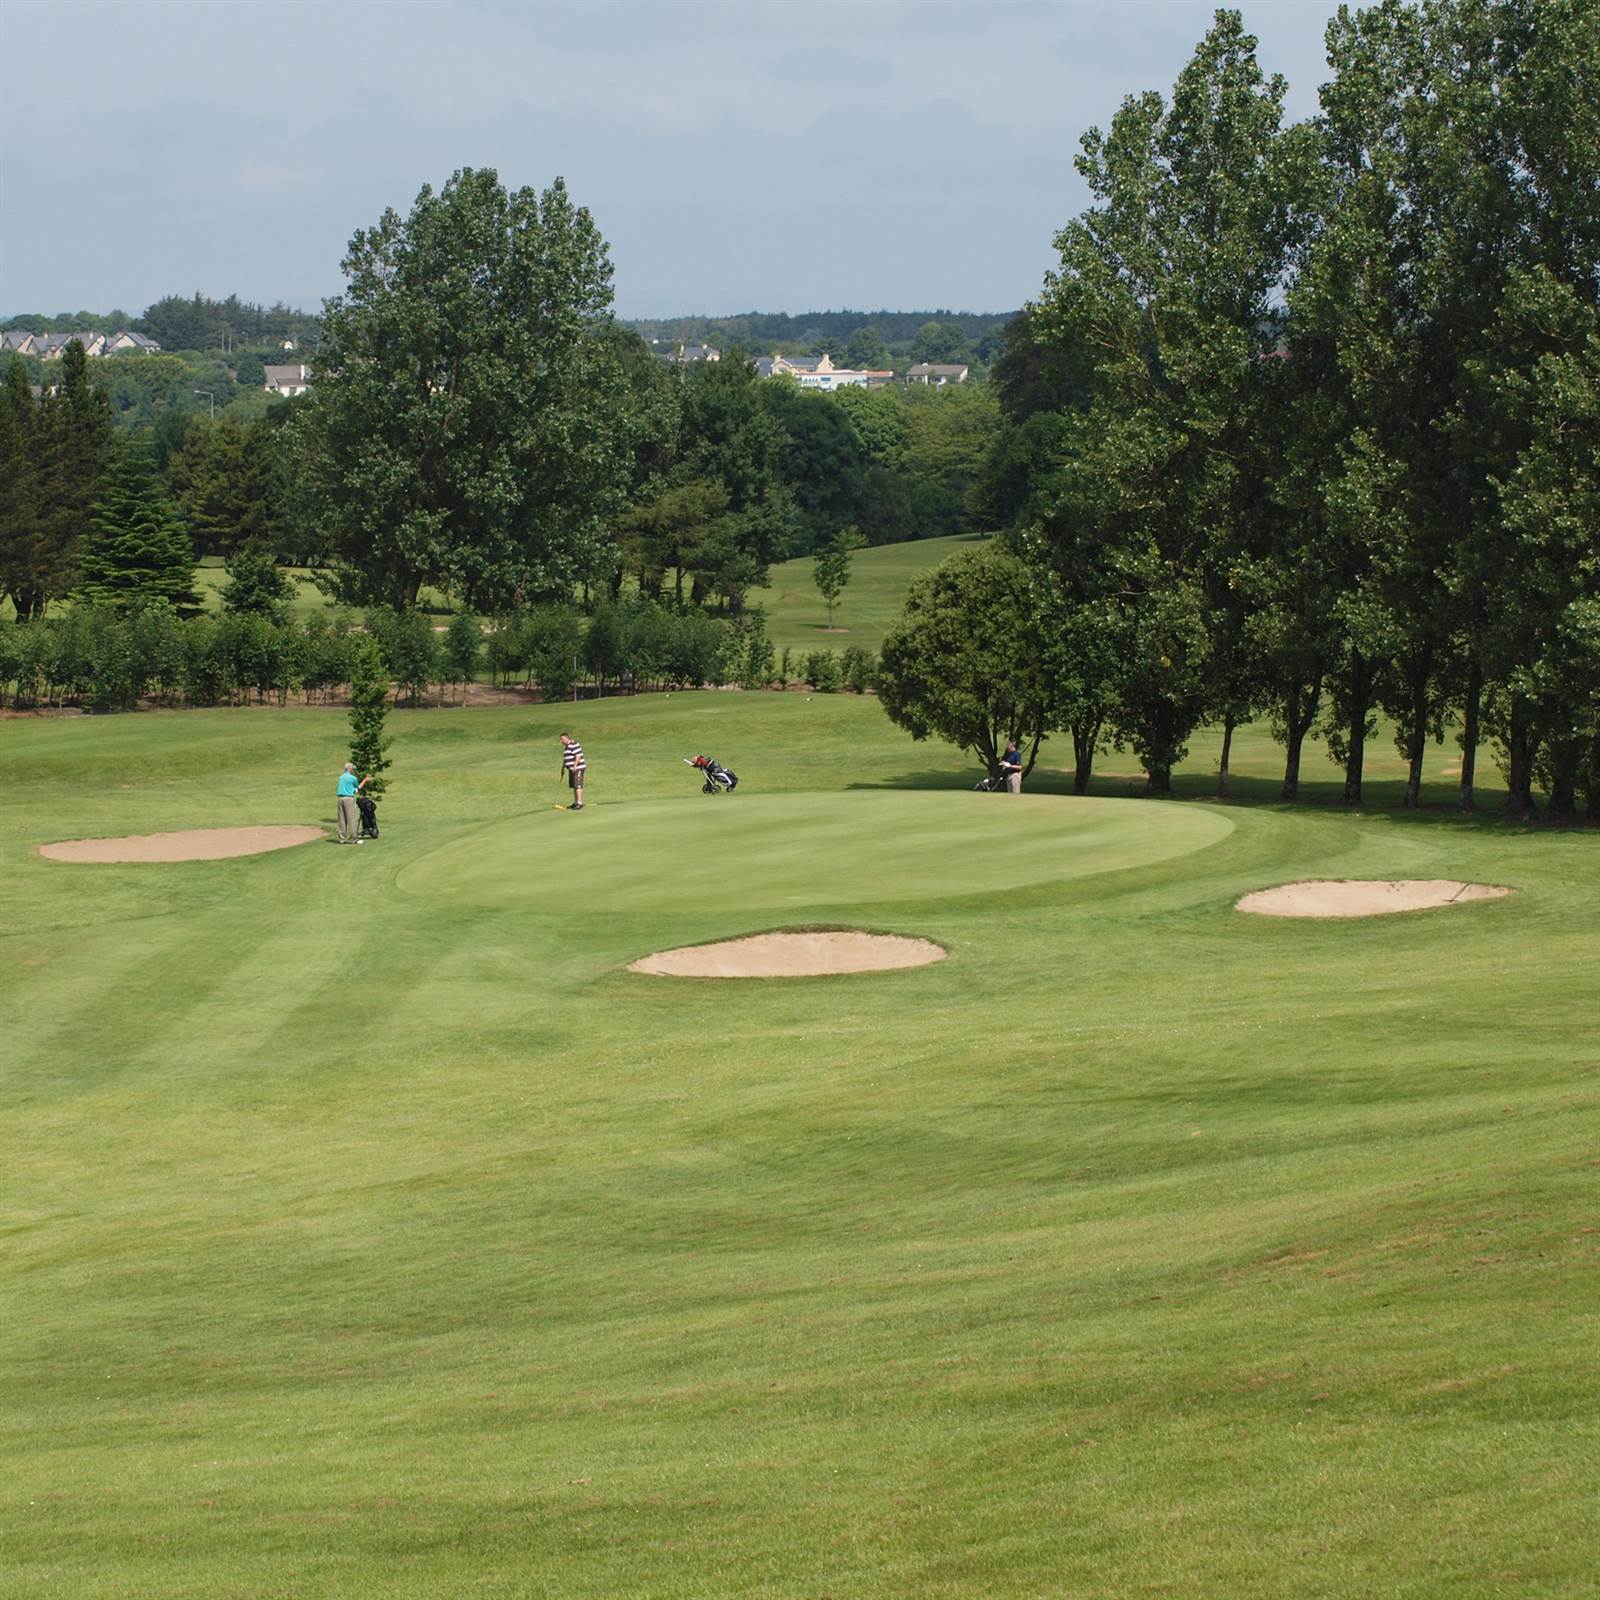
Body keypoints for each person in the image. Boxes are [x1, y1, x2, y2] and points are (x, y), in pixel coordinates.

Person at [336, 762, 370, 843]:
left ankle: (342, 839)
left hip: (340, 799)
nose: (354, 770)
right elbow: (357, 788)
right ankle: (354, 839)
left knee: (342, 819)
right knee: (351, 818)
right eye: (353, 769)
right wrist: (365, 780)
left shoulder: (341, 777)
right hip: (349, 799)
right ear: (350, 769)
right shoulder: (352, 778)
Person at [559, 732, 586, 810]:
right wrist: (563, 768)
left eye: (562, 739)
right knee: (574, 786)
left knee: (578, 785)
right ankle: (575, 802)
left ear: (567, 738)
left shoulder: (574, 744)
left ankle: (579, 803)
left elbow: (578, 755)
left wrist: (575, 766)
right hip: (571, 769)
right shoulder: (567, 747)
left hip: (578, 768)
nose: (561, 741)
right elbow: (566, 758)